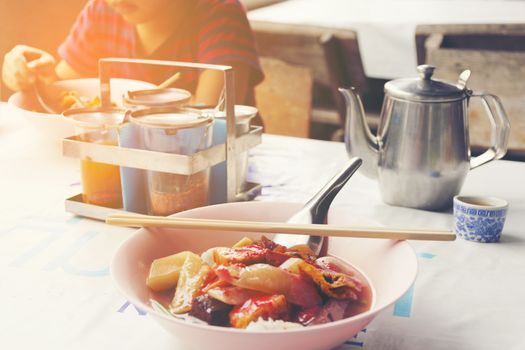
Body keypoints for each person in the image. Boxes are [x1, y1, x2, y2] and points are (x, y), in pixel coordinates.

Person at [2, 0, 264, 107]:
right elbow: (66, 98)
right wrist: (33, 75)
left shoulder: (219, 15)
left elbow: (211, 118)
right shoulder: (102, 12)